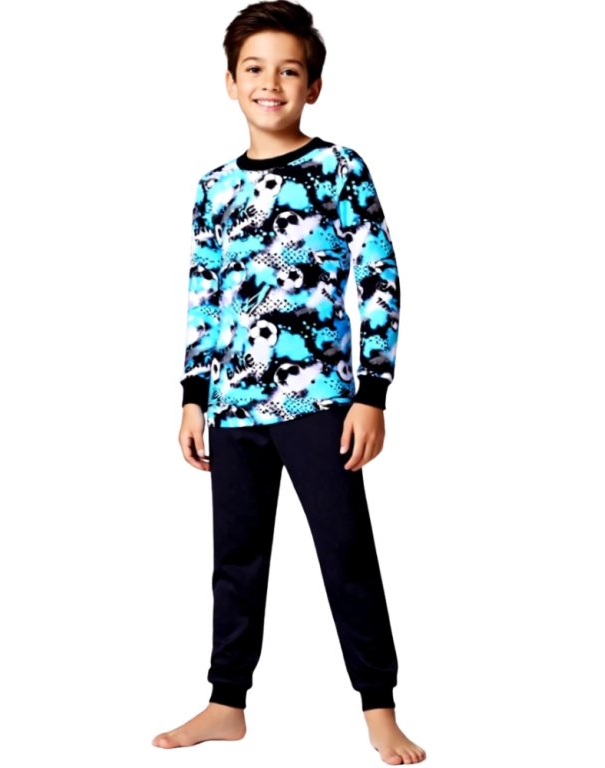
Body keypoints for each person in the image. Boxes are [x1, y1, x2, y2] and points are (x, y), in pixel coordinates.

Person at [153, 1, 425, 763]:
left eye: (289, 70)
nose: (270, 83)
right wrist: (193, 396)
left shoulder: (339, 169)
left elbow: (379, 278)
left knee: (345, 550)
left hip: (320, 401)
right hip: (233, 404)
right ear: (230, 82)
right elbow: (205, 293)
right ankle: (225, 702)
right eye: (254, 69)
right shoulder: (212, 187)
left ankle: (379, 708)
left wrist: (372, 392)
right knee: (235, 558)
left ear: (314, 86)